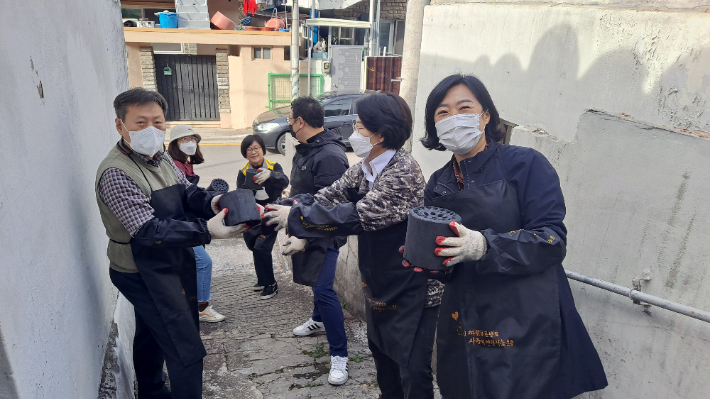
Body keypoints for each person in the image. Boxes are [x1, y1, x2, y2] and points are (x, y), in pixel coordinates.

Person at [410, 74, 608, 399]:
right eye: (442, 113)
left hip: (525, 314)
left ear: (485, 116)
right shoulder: (438, 184)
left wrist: (484, 246)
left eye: (464, 108)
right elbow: (448, 265)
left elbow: (551, 240)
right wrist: (432, 261)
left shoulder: (525, 164)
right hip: (466, 316)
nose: (453, 118)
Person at [269, 92, 440, 399]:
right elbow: (328, 196)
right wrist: (291, 215)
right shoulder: (364, 168)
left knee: (412, 368)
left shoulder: (403, 171)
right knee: (383, 355)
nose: (353, 134)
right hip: (380, 281)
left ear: (381, 134)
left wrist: (296, 218)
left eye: (360, 127)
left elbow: (357, 215)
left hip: (415, 287)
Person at [95, 88, 247, 399]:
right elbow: (148, 231)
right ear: (119, 125)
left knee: (151, 334)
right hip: (140, 271)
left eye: (158, 122)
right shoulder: (116, 173)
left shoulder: (161, 157)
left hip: (168, 261)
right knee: (185, 347)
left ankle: (151, 390)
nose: (151, 130)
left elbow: (187, 194)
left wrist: (214, 202)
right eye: (140, 123)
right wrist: (207, 231)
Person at [263, 96, 350, 385]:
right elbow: (304, 191)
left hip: (324, 233)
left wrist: (305, 231)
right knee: (314, 278)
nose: (288, 123)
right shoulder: (308, 149)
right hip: (303, 223)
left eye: (290, 118)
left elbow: (330, 203)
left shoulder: (330, 155)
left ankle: (340, 356)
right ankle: (318, 319)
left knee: (324, 288)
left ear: (300, 121)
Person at [168, 124, 225, 322]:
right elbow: (182, 197)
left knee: (192, 264)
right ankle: (202, 307)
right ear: (175, 143)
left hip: (187, 221)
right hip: (179, 223)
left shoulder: (185, 164)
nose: (190, 143)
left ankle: (193, 303)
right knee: (203, 261)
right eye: (185, 139)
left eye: (193, 139)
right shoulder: (174, 166)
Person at [237, 134, 290, 299]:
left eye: (256, 148)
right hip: (254, 214)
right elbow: (241, 195)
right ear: (245, 153)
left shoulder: (274, 166)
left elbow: (285, 181)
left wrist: (270, 175)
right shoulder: (243, 171)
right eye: (249, 149)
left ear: (262, 149)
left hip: (272, 211)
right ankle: (262, 279)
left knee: (262, 246)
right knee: (254, 245)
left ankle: (271, 284)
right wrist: (249, 185)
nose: (253, 152)